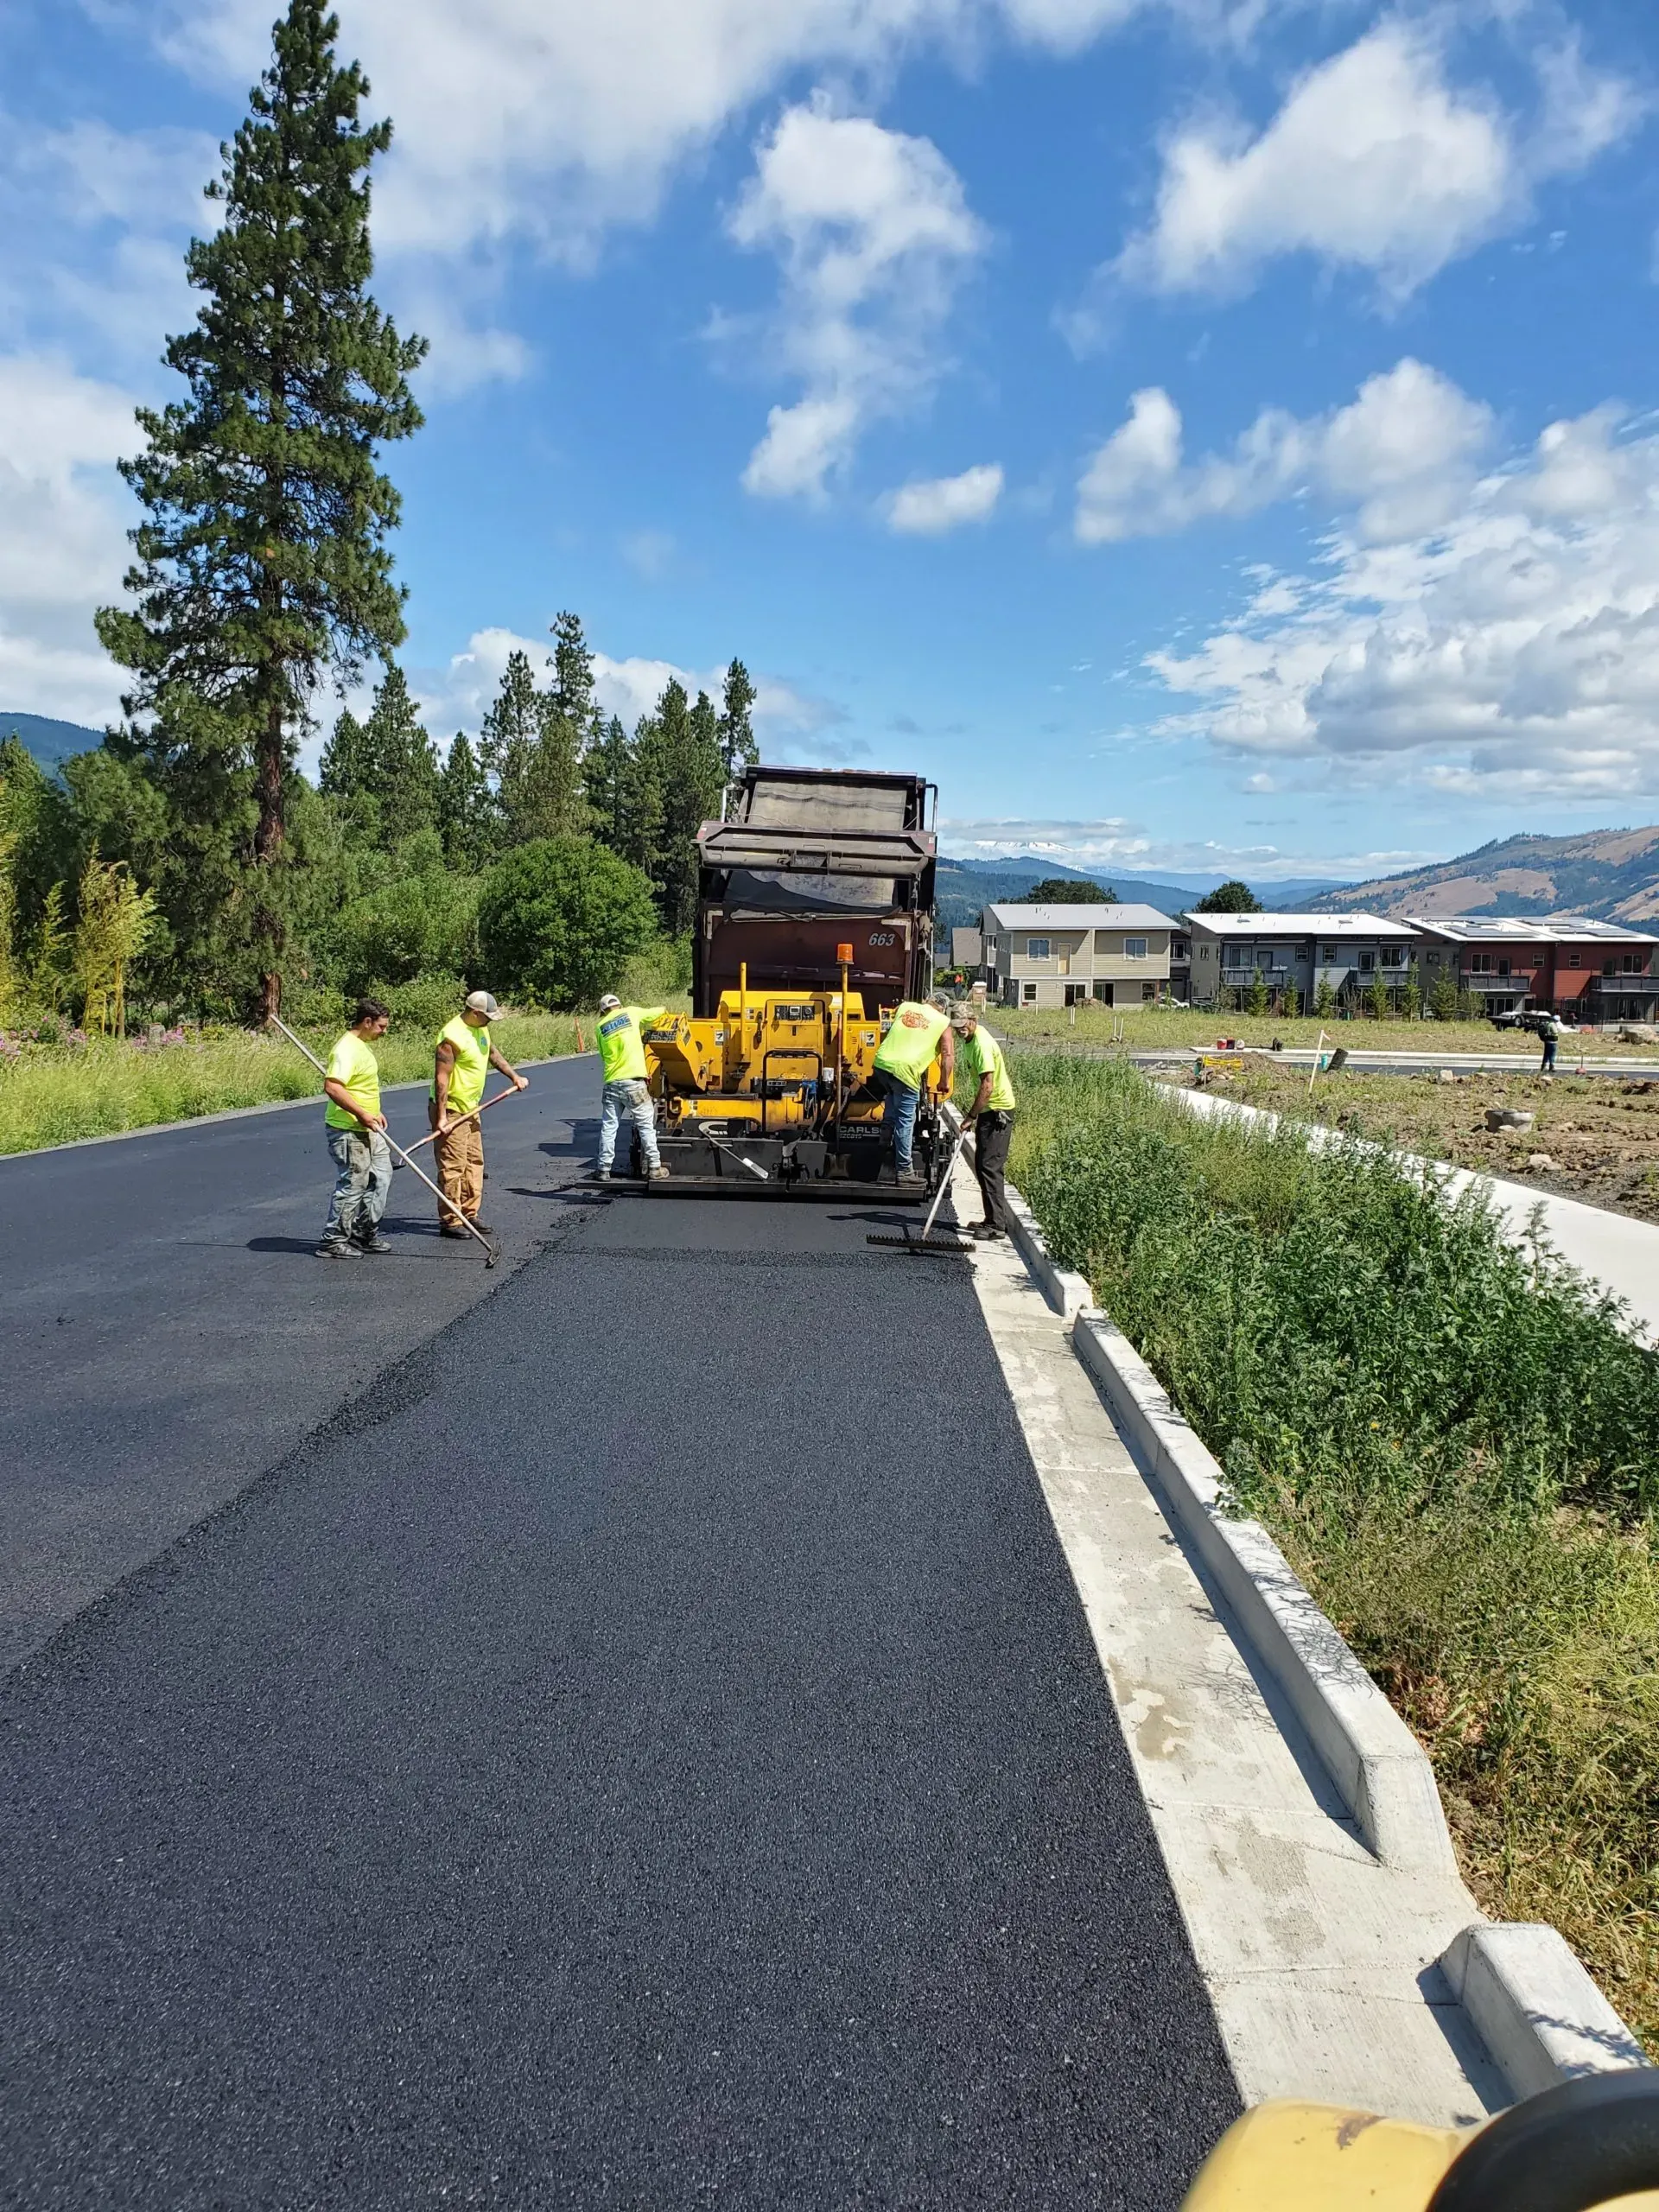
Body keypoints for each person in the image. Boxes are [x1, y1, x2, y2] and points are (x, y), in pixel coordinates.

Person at [430, 989, 529, 1239]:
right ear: (474, 1013)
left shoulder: (480, 1028)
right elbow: (442, 1078)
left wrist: (514, 1076)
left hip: (472, 1107)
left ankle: (469, 1213)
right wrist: (442, 1116)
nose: (490, 1021)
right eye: (487, 1016)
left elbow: (492, 1053)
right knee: (453, 1166)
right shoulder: (451, 1037)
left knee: (474, 1162)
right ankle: (451, 1220)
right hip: (451, 1109)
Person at [318, 997, 392, 1259]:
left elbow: (359, 1086)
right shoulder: (346, 1049)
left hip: (369, 1125)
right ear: (367, 1021)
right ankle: (334, 1240)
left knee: (381, 1177)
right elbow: (333, 1087)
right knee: (353, 1184)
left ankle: (364, 1232)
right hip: (348, 1129)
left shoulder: (362, 1046)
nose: (384, 1031)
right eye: (381, 1027)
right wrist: (361, 1112)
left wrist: (373, 1111)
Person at [870, 991, 955, 1183]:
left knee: (892, 1097)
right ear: (943, 1008)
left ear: (927, 1001)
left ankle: (885, 1138)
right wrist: (944, 1081)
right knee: (906, 1120)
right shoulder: (943, 1022)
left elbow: (890, 1029)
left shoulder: (906, 1007)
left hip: (882, 1063)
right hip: (906, 1070)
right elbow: (948, 1055)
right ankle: (904, 1171)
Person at [951, 1001, 1016, 1239]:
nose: (960, 1030)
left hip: (998, 1111)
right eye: (956, 1027)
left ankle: (997, 1226)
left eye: (963, 1025)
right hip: (990, 1111)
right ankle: (990, 1219)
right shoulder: (970, 1041)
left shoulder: (981, 1044)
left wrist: (970, 1116)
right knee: (982, 1165)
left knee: (990, 1167)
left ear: (973, 1020)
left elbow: (987, 1086)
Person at [594, 993, 671, 1180]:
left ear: (603, 1011)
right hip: (634, 1084)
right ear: (619, 1005)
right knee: (645, 1126)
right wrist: (663, 1008)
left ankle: (603, 1169)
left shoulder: (600, 1027)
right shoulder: (631, 1013)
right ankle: (654, 1167)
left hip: (612, 1083)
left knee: (609, 1127)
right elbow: (655, 1014)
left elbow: (604, 1056)